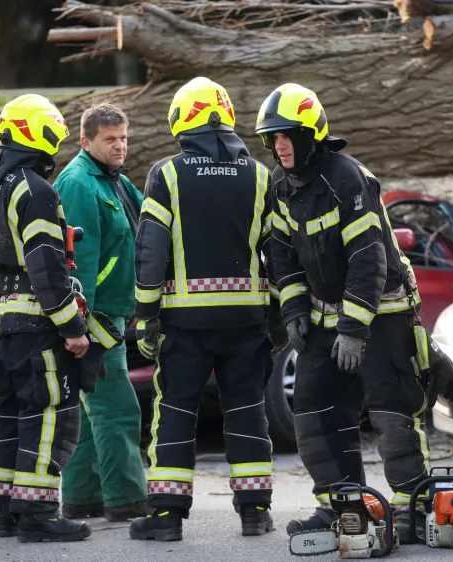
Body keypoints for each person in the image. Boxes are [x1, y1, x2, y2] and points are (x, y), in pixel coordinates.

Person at [254, 83, 453, 545]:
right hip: (324, 318)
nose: (278, 145)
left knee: (392, 410)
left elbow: (369, 259)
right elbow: (280, 254)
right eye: (271, 138)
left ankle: (412, 506)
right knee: (312, 410)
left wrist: (354, 329)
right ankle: (340, 506)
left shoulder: (350, 179)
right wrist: (292, 313)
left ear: (312, 135)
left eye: (286, 135)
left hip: (382, 312)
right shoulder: (280, 185)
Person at [128, 76, 278, 541]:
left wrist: (145, 314)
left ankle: (166, 517)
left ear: (181, 120)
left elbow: (150, 249)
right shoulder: (259, 174)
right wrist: (280, 314)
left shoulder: (167, 174)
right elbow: (280, 248)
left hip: (185, 322)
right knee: (248, 410)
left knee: (174, 411)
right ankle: (255, 512)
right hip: (247, 320)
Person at [0, 94, 93, 542]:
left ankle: (8, 511)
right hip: (37, 324)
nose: (54, 151)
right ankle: (40, 515)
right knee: (49, 414)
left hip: (3, 322)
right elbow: (47, 266)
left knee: (11, 416)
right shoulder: (37, 191)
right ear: (38, 136)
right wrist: (72, 328)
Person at [55, 103, 149, 522]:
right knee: (117, 410)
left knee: (93, 412)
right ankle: (127, 500)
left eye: (123, 138)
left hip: (109, 316)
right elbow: (78, 261)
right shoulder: (79, 183)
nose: (120, 146)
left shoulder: (115, 182)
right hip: (95, 319)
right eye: (110, 139)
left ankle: (82, 499)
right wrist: (79, 323)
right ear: (86, 141)